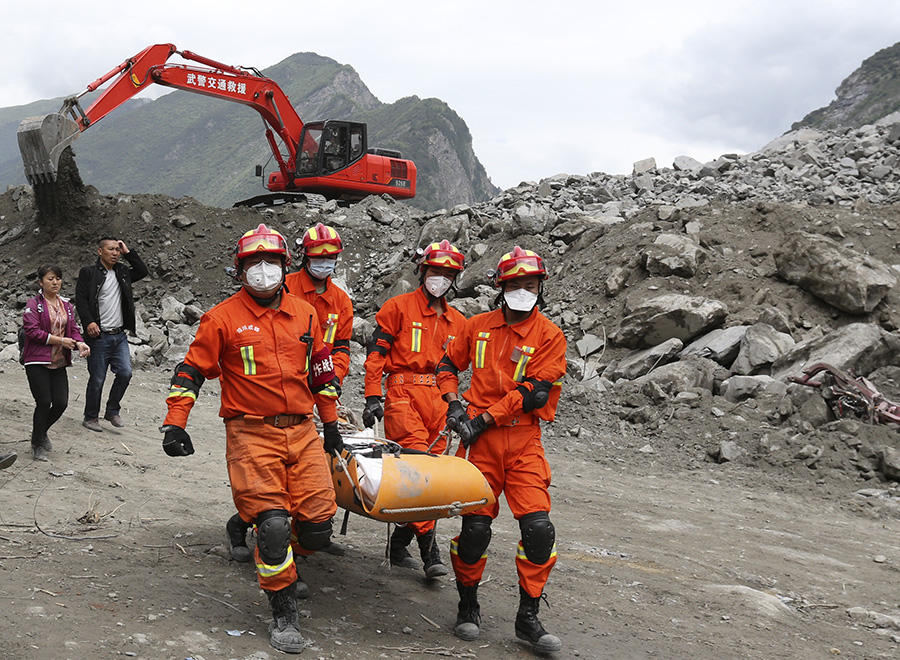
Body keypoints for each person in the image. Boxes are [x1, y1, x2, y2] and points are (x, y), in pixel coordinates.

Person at [160, 223, 343, 655]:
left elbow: (321, 370)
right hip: (250, 432)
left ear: (284, 266)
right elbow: (190, 372)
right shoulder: (221, 318)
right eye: (253, 263)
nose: (263, 271)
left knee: (317, 528)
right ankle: (282, 612)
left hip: (302, 431)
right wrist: (175, 422)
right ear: (240, 270)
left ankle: (276, 553)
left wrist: (331, 421)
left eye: (272, 262)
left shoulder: (306, 313)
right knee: (275, 524)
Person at [436, 246, 566, 654]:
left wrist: (484, 418)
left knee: (539, 529)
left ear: (541, 288)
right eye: (516, 284)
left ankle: (528, 616)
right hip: (481, 444)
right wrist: (454, 403)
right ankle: (467, 604)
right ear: (500, 287)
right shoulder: (477, 326)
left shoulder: (550, 336)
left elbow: (533, 393)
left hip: (523, 439)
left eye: (531, 285)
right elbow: (445, 366)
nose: (523, 291)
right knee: (475, 529)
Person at [224, 222, 353, 562]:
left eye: (330, 257)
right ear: (302, 258)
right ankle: (255, 533)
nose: (323, 263)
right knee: (271, 504)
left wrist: (332, 384)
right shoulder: (284, 287)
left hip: (306, 393)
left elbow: (337, 347)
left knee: (309, 500)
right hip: (262, 405)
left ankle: (299, 540)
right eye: (317, 257)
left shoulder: (339, 301)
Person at [363, 240, 467, 579]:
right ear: (422, 271)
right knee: (421, 469)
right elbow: (376, 355)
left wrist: (460, 407)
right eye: (434, 271)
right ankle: (430, 550)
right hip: (402, 393)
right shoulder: (398, 308)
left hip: (439, 398)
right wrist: (371, 395)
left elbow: (462, 369)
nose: (439, 278)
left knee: (435, 480)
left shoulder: (458, 322)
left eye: (447, 273)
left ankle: (402, 540)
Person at [75, 237, 148, 432]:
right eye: (111, 249)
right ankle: (90, 417)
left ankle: (112, 410)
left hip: (119, 335)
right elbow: (80, 300)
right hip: (99, 336)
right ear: (100, 251)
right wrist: (89, 322)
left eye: (117, 249)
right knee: (97, 378)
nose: (115, 253)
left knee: (125, 372)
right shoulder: (89, 273)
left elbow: (142, 271)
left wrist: (128, 252)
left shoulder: (122, 272)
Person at [22, 264, 91, 461]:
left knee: (60, 403)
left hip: (58, 361)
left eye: (58, 278)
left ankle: (40, 433)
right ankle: (37, 444)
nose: (55, 282)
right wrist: (61, 341)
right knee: (44, 402)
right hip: (37, 360)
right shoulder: (34, 304)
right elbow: (32, 331)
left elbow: (72, 327)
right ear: (40, 282)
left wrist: (80, 343)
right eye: (50, 279)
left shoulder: (66, 305)